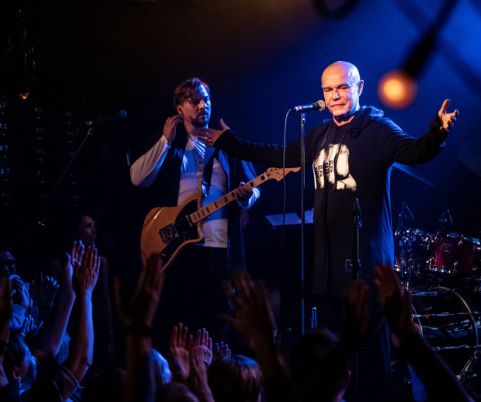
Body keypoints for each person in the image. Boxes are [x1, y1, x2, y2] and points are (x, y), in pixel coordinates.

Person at [195, 61, 459, 401]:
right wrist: (231, 142)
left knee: (370, 360)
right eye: (328, 89)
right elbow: (281, 155)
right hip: (328, 270)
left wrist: (438, 131)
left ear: (359, 87)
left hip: (368, 268)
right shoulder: (320, 134)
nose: (334, 96)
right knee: (335, 357)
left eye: (342, 88)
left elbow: (416, 151)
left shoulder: (378, 129)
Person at [129, 77, 260, 349]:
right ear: (180, 108)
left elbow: (254, 187)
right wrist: (165, 140)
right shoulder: (172, 145)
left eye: (206, 99)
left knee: (217, 328)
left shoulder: (228, 144)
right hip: (178, 250)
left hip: (218, 249)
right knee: (178, 326)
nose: (203, 105)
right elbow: (138, 179)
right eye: (195, 100)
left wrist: (248, 196)